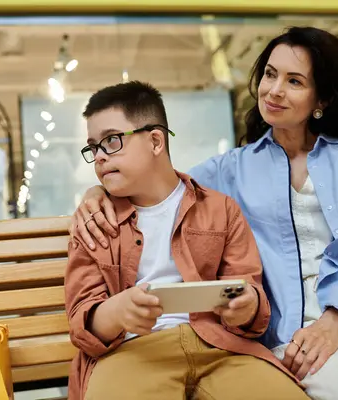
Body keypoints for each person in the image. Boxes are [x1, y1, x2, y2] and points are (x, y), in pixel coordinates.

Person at [70, 27, 338, 400]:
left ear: (320, 97)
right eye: (270, 75)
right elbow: (161, 184)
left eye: (294, 81)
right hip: (295, 329)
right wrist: (97, 190)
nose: (274, 90)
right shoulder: (227, 172)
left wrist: (335, 320)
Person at [65, 81, 308, 400]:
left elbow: (251, 296)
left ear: (155, 141)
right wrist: (116, 312)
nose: (99, 157)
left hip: (221, 348)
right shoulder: (94, 221)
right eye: (93, 147)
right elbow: (82, 321)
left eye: (111, 141)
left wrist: (245, 307)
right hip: (131, 352)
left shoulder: (221, 209)